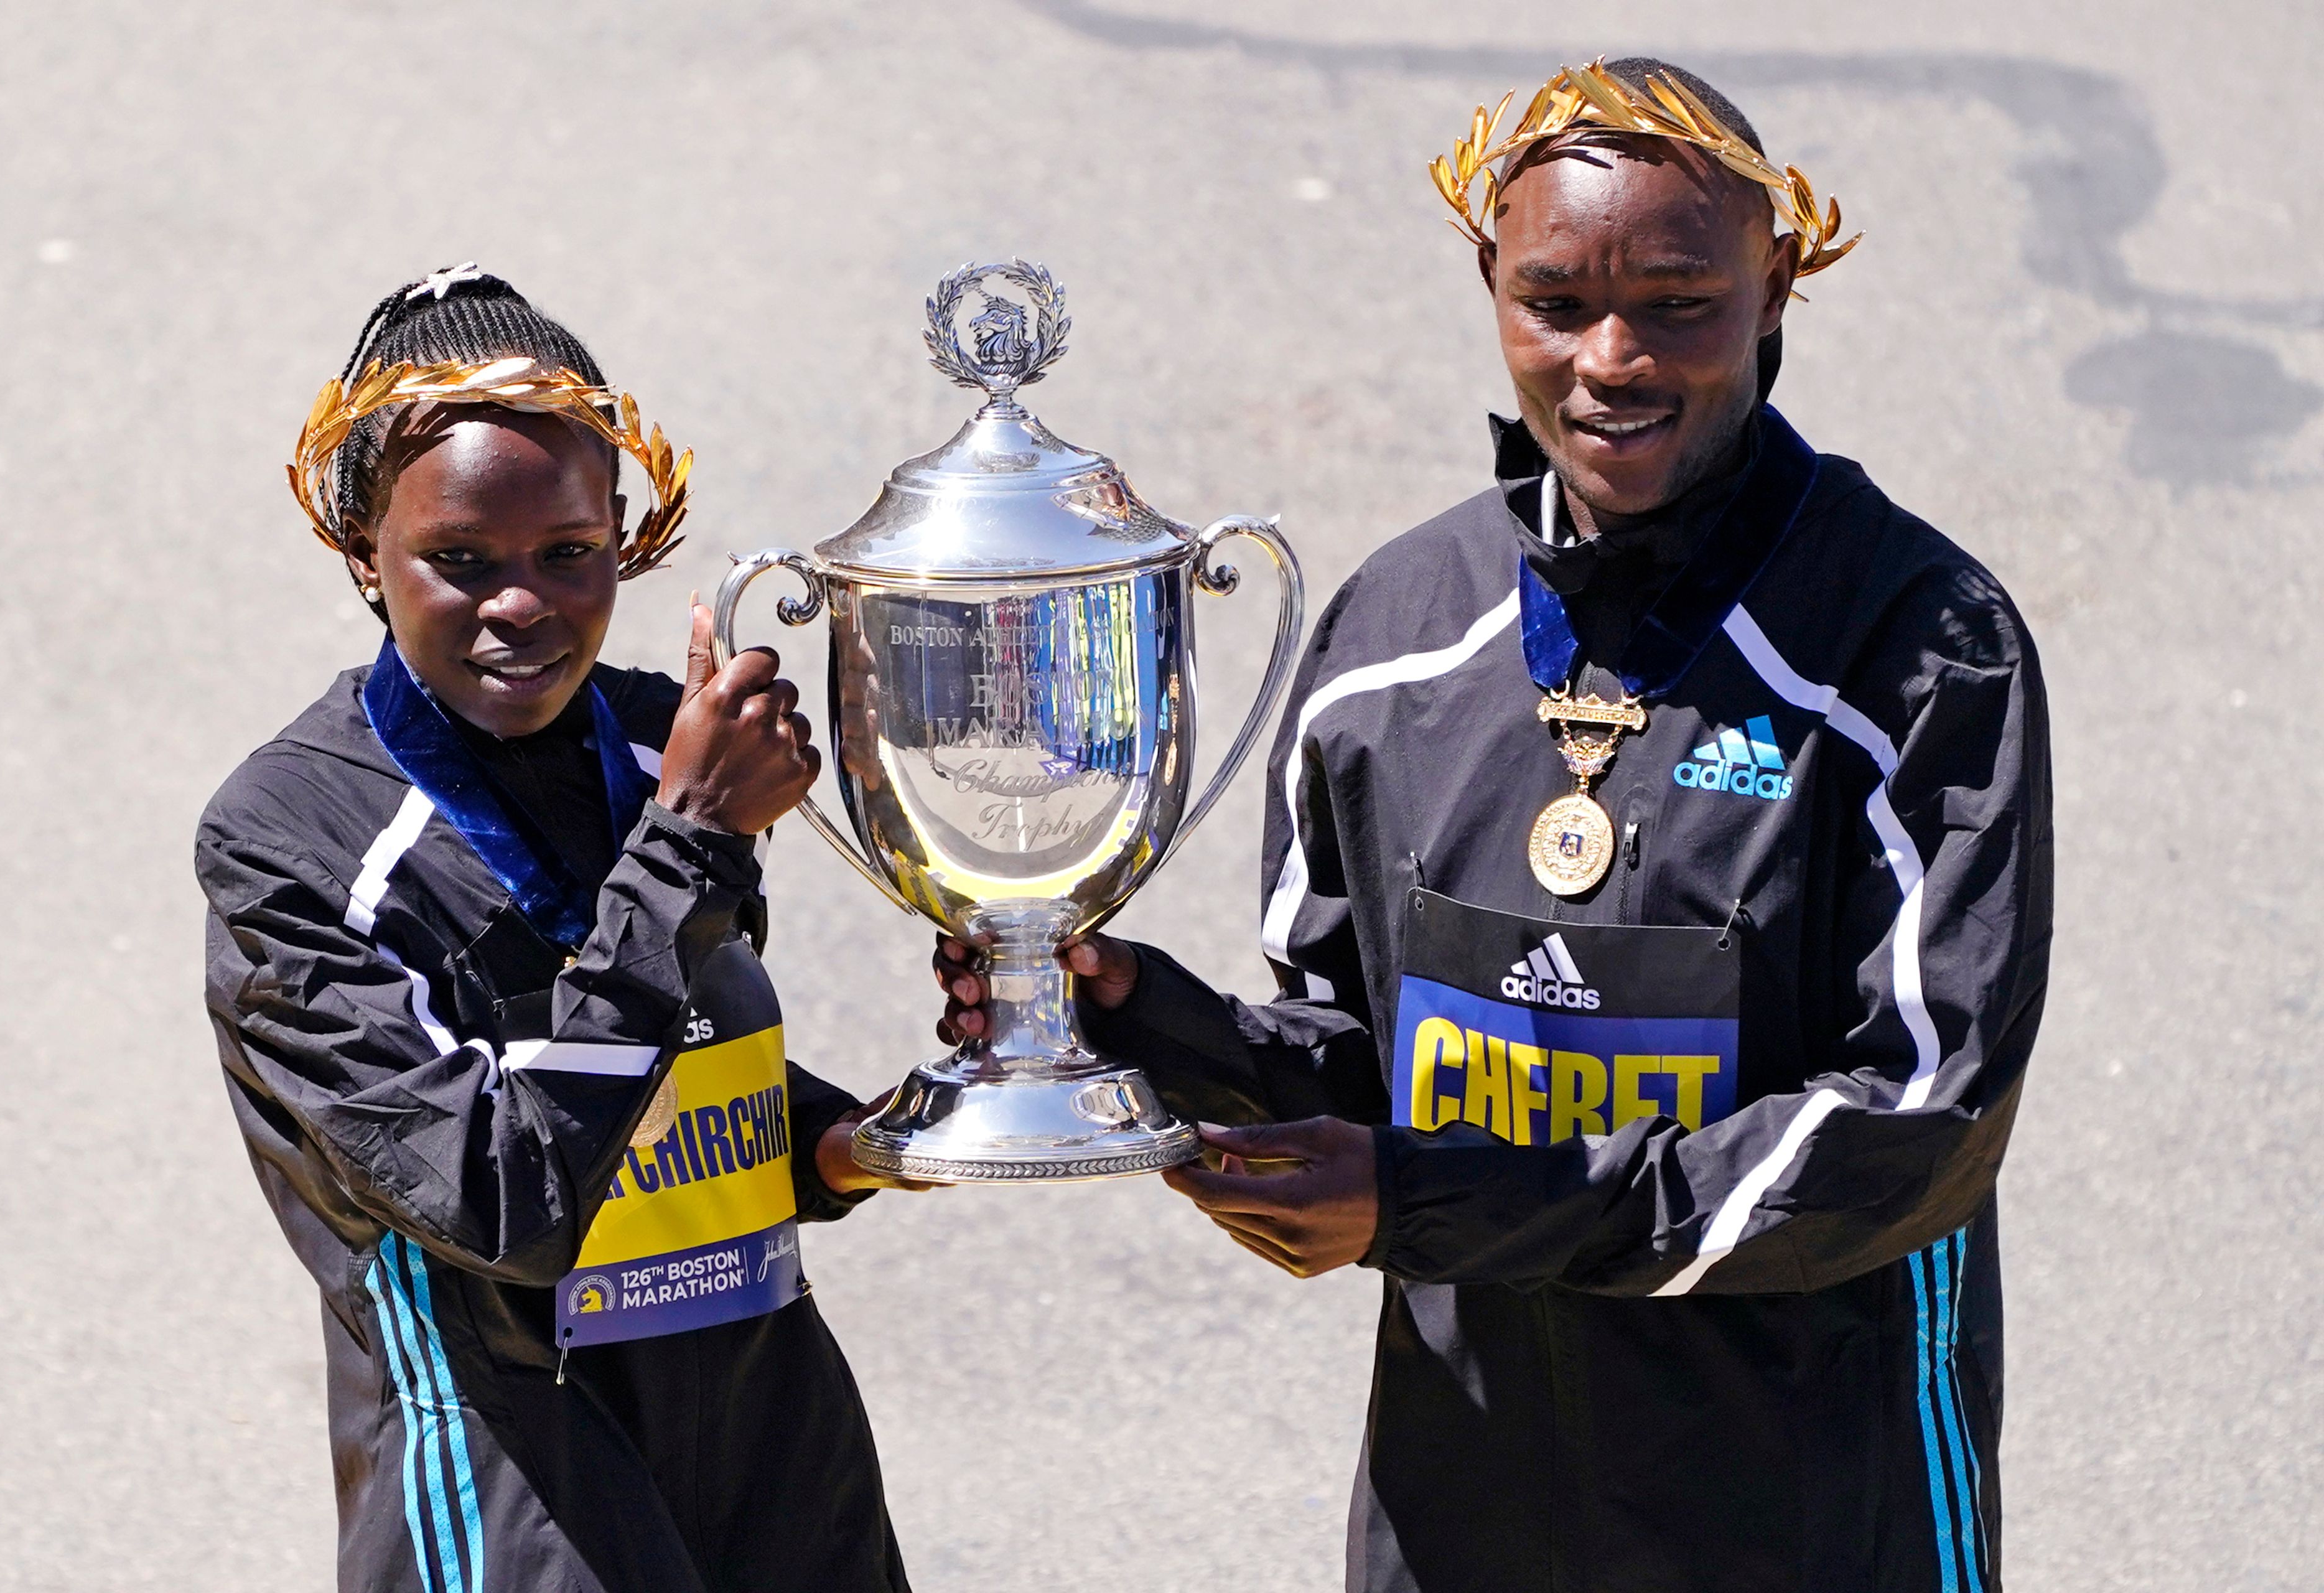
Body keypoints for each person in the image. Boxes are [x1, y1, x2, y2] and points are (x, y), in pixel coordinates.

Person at [938, 60, 2050, 1592]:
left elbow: (1913, 1127)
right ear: (1489, 279)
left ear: (1776, 279)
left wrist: (1452, 1203)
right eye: (1556, 298)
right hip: (1463, 1509)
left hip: (1806, 1511)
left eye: (1678, 301)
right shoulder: (1392, 641)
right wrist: (1142, 1020)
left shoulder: (1914, 645)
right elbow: (1349, 1055)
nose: (1613, 358)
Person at [198, 266, 921, 1592]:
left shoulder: (659, 738)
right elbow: (501, 1196)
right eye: (460, 561)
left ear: (623, 536)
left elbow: (673, 1043)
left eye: (567, 553)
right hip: (517, 1478)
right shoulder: (288, 837)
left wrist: (833, 1140)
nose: (522, 604)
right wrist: (692, 838)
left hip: (775, 1443)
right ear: (365, 549)